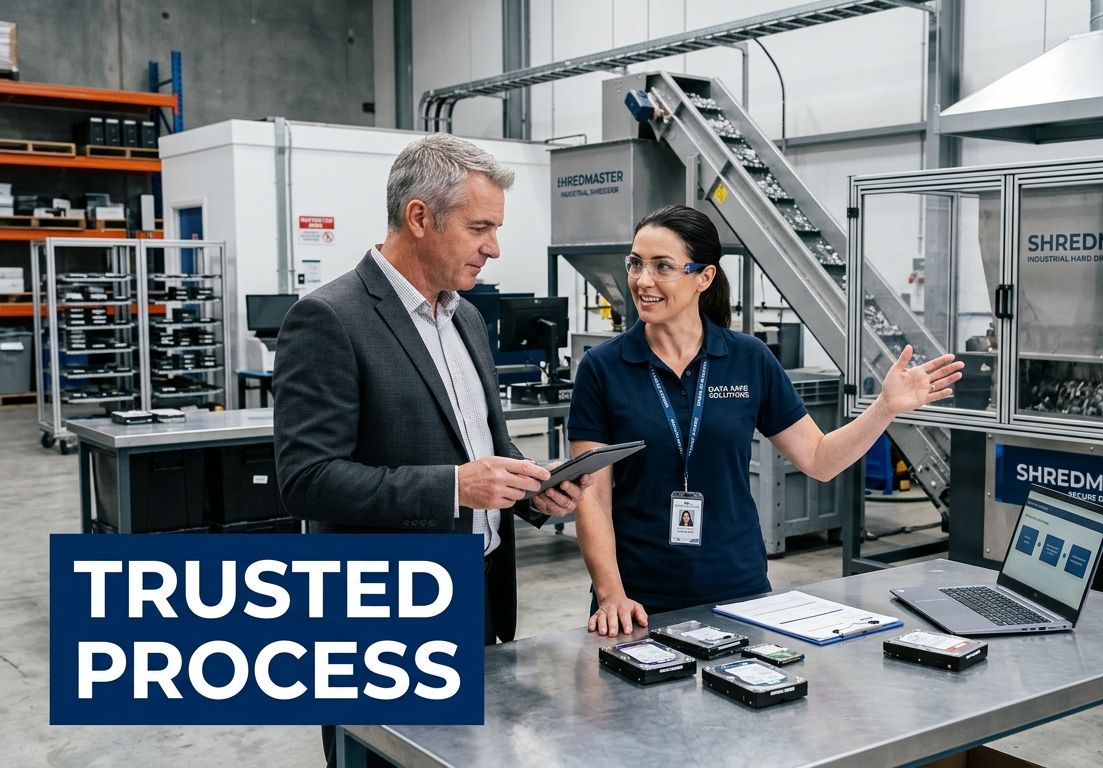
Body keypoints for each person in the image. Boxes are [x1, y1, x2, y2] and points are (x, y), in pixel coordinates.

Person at [273, 133, 589, 766]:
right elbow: (307, 479)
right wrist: (453, 487)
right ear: (420, 217)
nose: (494, 248)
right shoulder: (329, 318)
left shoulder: (466, 318)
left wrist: (532, 491)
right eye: (480, 228)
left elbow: (485, 449)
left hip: (478, 595)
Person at [567, 204, 963, 636]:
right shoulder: (603, 368)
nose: (643, 281)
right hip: (638, 598)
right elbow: (592, 496)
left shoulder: (748, 359)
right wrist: (610, 595)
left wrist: (884, 408)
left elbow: (818, 458)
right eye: (636, 264)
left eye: (662, 266)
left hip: (738, 587)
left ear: (704, 277)